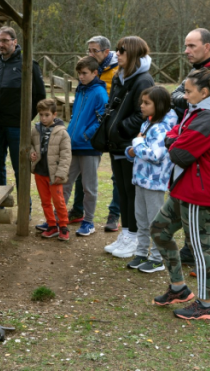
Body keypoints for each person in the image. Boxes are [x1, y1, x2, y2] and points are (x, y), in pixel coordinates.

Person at [151, 67, 210, 320]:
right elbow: (176, 135)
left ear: (204, 92)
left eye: (188, 92)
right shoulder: (200, 112)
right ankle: (179, 289)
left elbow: (180, 153)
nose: (184, 96)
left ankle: (206, 304)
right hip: (185, 188)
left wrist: (175, 141)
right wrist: (176, 139)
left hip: (201, 194)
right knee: (159, 230)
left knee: (201, 252)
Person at [171, 28, 210, 269]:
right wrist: (184, 97)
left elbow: (198, 107)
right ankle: (192, 249)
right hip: (190, 133)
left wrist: (182, 98)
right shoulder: (198, 70)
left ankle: (209, 253)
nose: (186, 51)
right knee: (192, 196)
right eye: (186, 45)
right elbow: (175, 94)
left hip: (205, 140)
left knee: (208, 199)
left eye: (191, 46)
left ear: (207, 47)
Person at [100, 36, 154, 259]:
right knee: (121, 190)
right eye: (117, 50)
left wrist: (121, 128)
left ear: (132, 53)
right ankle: (126, 233)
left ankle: (135, 237)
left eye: (122, 50)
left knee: (131, 193)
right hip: (116, 144)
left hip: (130, 145)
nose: (117, 54)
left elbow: (143, 113)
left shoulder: (142, 80)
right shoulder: (120, 76)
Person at [68, 36, 121, 232]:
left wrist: (88, 134)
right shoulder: (82, 87)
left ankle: (107, 216)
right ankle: (73, 212)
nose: (90, 53)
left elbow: (105, 111)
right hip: (77, 140)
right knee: (71, 180)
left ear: (106, 52)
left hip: (98, 139)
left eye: (94, 51)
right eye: (88, 50)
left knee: (101, 181)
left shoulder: (116, 72)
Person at [122, 86, 177, 272]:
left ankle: (157, 258)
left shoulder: (163, 129)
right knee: (141, 219)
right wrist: (132, 150)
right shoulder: (147, 124)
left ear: (159, 105)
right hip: (140, 180)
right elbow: (137, 151)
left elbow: (156, 155)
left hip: (155, 183)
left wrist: (136, 144)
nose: (142, 107)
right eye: (141, 102)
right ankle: (141, 252)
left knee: (155, 221)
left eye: (147, 103)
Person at [0, 26, 46, 188]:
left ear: (15, 42)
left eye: (5, 40)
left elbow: (40, 96)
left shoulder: (28, 64)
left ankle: (25, 210)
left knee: (21, 168)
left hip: (17, 127)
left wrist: (26, 118)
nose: (1, 44)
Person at [57, 56, 109, 237]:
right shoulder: (81, 90)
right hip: (72, 146)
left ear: (95, 73)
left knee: (89, 187)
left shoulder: (99, 93)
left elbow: (103, 119)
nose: (81, 76)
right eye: (79, 73)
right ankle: (59, 217)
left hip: (89, 147)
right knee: (64, 183)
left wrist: (86, 134)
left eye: (85, 73)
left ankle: (88, 221)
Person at [30, 99, 72, 240]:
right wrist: (31, 153)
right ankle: (52, 225)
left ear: (54, 114)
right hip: (39, 172)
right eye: (41, 115)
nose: (43, 118)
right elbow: (29, 145)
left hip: (54, 175)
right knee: (45, 201)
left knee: (58, 201)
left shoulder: (62, 133)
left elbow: (66, 155)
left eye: (47, 115)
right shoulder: (35, 130)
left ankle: (64, 226)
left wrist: (61, 173)